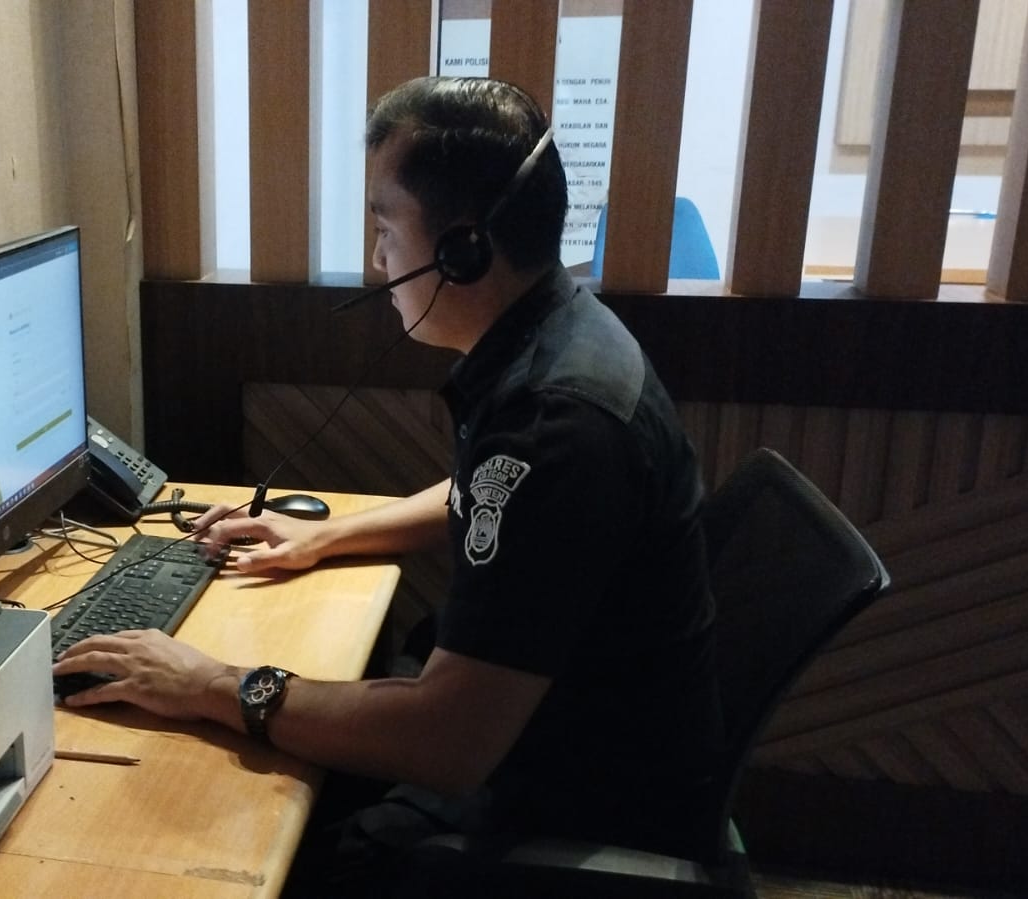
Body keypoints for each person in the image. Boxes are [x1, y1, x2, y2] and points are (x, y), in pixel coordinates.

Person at [53, 76, 722, 893]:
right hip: (563, 741)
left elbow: (447, 740)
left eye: (383, 229)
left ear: (462, 251)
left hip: (571, 802)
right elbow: (486, 495)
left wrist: (209, 684)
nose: (377, 260)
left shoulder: (558, 425)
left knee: (249, 841)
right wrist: (324, 535)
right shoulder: (558, 337)